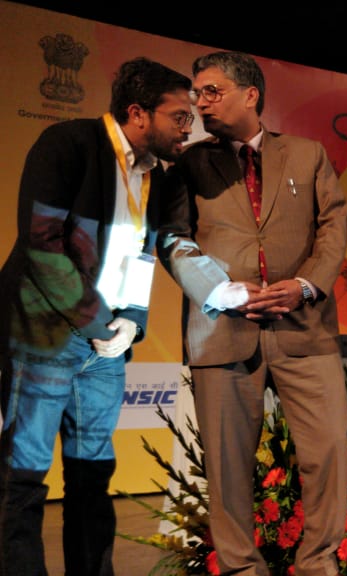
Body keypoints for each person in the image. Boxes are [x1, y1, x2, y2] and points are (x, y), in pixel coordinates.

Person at [156, 51, 347, 576]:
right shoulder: (189, 162)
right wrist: (222, 292)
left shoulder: (308, 154)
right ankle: (242, 568)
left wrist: (305, 285)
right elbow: (171, 237)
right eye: (197, 93)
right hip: (222, 331)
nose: (200, 102)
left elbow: (333, 226)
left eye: (212, 91)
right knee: (226, 465)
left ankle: (317, 564)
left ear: (251, 95)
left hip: (305, 329)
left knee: (329, 446)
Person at [0, 57, 193, 575]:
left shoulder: (157, 175)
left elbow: (143, 252)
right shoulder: (68, 144)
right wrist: (98, 323)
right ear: (138, 113)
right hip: (46, 336)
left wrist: (131, 317)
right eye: (178, 116)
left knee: (92, 476)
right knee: (22, 477)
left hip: (106, 348)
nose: (188, 127)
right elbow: (44, 245)